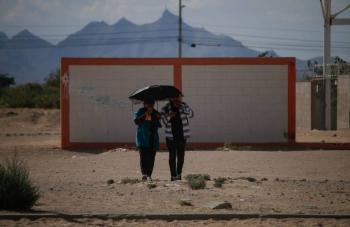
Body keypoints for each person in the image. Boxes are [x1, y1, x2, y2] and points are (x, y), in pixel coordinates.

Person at [161, 96, 194, 181]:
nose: (177, 99)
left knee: (181, 156)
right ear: (171, 98)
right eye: (174, 98)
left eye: (178, 98)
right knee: (172, 157)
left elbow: (191, 114)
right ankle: (173, 176)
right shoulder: (165, 108)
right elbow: (162, 122)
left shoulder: (184, 105)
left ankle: (179, 174)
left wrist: (182, 107)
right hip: (170, 137)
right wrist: (169, 116)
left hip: (182, 136)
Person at [134, 100, 161, 182]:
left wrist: (157, 116)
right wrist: (145, 114)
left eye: (152, 104)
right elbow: (136, 121)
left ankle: (149, 175)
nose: (150, 105)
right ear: (144, 104)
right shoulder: (140, 111)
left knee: (151, 157)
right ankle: (144, 174)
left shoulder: (155, 112)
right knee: (143, 157)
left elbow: (159, 124)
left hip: (153, 139)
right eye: (148, 104)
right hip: (142, 138)